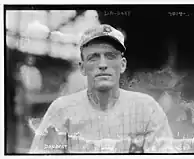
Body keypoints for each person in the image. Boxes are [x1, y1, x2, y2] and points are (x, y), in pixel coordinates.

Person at [29, 24, 177, 153]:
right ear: (83, 68)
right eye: (93, 57)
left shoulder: (147, 109)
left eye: (110, 56)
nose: (102, 64)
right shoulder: (61, 111)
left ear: (123, 65)